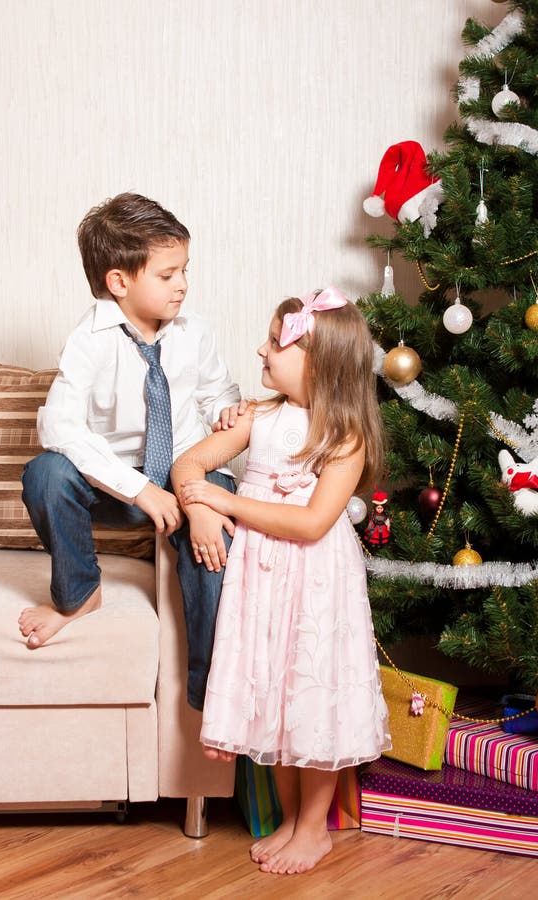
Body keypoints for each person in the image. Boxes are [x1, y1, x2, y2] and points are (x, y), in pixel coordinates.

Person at [172, 287, 391, 874]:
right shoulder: (259, 416)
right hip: (262, 578)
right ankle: (293, 820)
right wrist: (202, 508)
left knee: (311, 693)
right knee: (276, 692)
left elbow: (314, 521)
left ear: (316, 363)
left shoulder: (346, 435)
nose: (262, 351)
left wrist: (230, 501)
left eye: (275, 342)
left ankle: (314, 827)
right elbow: (186, 463)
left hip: (316, 580)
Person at [20, 192, 242, 711]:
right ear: (119, 282)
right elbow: (57, 425)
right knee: (45, 475)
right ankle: (79, 596)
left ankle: (209, 695)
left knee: (213, 543)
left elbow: (219, 392)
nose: (183, 284)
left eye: (185, 269)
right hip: (121, 489)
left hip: (187, 476)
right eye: (167, 275)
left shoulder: (195, 332)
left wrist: (226, 413)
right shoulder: (90, 340)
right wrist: (140, 489)